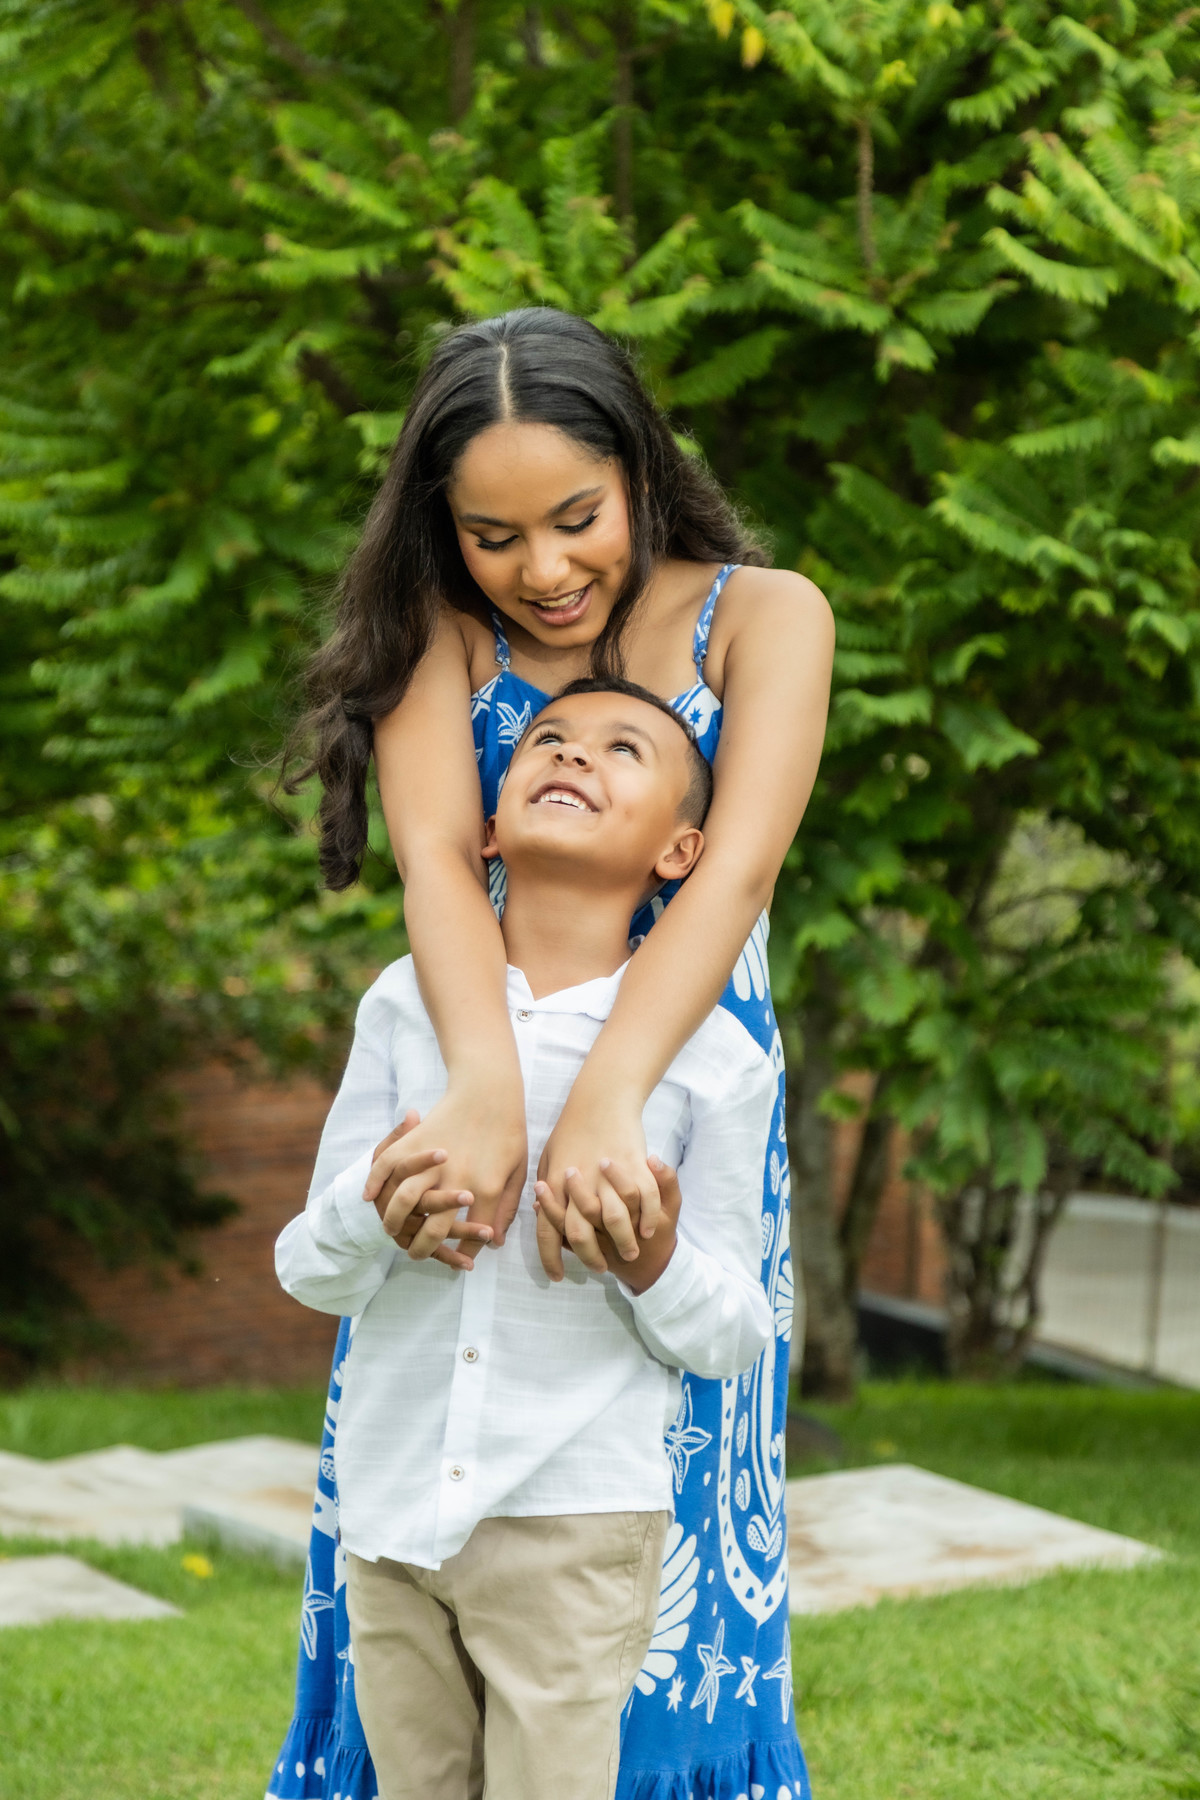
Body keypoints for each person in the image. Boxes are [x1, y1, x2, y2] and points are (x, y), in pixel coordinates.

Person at [269, 306, 833, 1800]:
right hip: (479, 1071)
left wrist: (609, 1097)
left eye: (577, 517)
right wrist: (479, 1088)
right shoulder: (444, 637)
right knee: (443, 1452)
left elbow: (734, 874)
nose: (543, 569)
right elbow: (439, 866)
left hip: (678, 1095)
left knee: (659, 1497)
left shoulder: (766, 617)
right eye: (493, 535)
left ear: (639, 467)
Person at [276, 680, 780, 1800]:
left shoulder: (714, 1062)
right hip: (392, 1510)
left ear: (681, 851)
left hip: (575, 1518)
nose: (573, 753)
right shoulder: (404, 1007)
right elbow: (308, 1267)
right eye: (545, 738)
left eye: (622, 748)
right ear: (491, 827)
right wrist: (373, 1210)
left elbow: (736, 1335)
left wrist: (652, 1264)